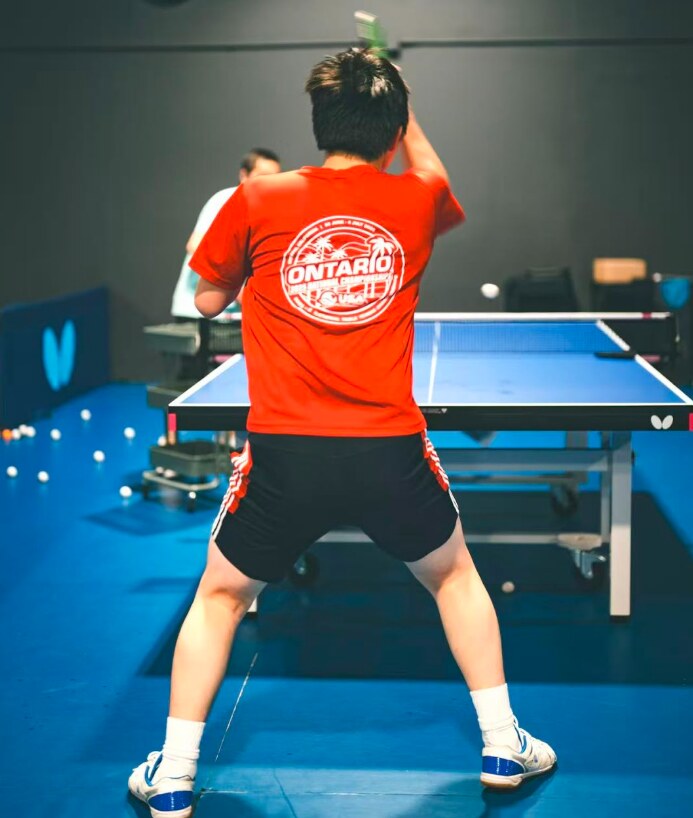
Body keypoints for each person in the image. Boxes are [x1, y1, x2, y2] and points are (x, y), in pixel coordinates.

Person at [129, 49, 556, 817]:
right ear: (394, 131)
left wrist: (256, 275)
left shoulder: (256, 197)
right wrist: (405, 108)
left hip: (285, 453)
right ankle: (502, 742)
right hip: (387, 449)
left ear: (317, 123)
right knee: (453, 578)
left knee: (220, 596)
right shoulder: (416, 199)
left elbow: (202, 300)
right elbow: (437, 178)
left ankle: (172, 775)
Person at [170, 148, 281, 320]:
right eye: (263, 175)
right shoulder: (226, 199)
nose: (269, 182)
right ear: (244, 175)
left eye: (275, 176)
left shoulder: (271, 208)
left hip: (233, 315)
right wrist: (232, 285)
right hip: (196, 313)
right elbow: (195, 245)